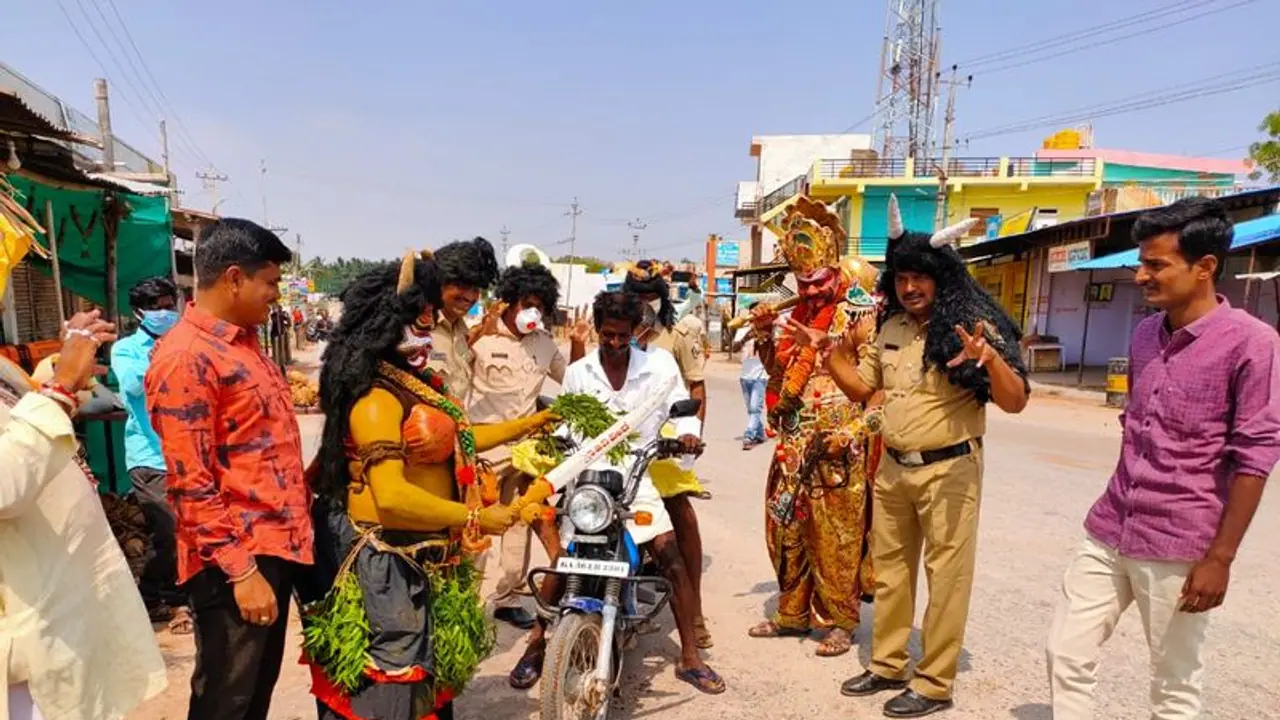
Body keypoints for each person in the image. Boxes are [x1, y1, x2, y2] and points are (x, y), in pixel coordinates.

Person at [1045, 198, 1280, 719]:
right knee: (1065, 651)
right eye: (1141, 262)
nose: (1140, 275)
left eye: (1156, 264)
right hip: (1111, 527)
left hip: (1180, 543)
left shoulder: (1253, 344)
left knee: (1174, 682)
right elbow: (1136, 425)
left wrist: (1219, 559)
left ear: (1205, 267)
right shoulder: (1145, 334)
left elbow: (1255, 456)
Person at [299, 251, 556, 720]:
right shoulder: (376, 398)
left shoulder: (414, 382)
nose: (426, 336)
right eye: (419, 325)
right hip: (384, 562)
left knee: (425, 678)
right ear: (384, 326)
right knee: (390, 683)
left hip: (420, 557)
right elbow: (393, 500)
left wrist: (528, 424)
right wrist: (476, 517)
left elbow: (460, 438)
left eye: (429, 323)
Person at [813, 195, 1030, 717]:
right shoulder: (889, 327)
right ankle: (888, 664)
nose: (910, 287)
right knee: (890, 573)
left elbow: (1016, 401)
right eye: (903, 278)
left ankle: (934, 683)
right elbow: (863, 388)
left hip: (950, 471)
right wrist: (830, 353)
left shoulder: (970, 328)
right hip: (893, 468)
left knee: (947, 580)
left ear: (941, 278)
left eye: (921, 278)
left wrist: (990, 359)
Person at [509, 290, 725, 695]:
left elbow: (683, 408)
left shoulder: (658, 366)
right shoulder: (580, 372)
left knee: (670, 556)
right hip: (589, 480)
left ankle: (691, 657)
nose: (614, 343)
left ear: (634, 331)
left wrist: (687, 435)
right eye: (607, 335)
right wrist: (558, 440)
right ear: (597, 330)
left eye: (622, 336)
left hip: (637, 476)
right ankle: (537, 644)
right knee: (566, 558)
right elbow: (568, 421)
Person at [145, 218, 308, 720]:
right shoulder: (187, 357)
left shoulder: (244, 344)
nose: (276, 295)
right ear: (235, 278)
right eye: (271, 282)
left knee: (253, 697)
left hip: (272, 549)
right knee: (225, 702)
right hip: (233, 560)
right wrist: (242, 572)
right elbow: (189, 482)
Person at [2, 310, 168, 720]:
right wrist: (59, 390)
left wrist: (66, 373)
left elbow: (21, 418)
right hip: (26, 616)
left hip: (61, 599)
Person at [744, 196, 880, 658]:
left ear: (835, 271)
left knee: (837, 535)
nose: (812, 290)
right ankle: (792, 613)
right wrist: (765, 335)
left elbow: (876, 387)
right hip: (795, 441)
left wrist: (854, 433)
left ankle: (841, 621)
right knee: (788, 529)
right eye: (803, 283)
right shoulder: (796, 315)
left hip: (839, 443)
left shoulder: (859, 315)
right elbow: (779, 375)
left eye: (819, 281)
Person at [467, 260, 589, 631]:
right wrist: (475, 333)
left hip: (525, 449)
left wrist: (579, 343)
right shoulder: (481, 339)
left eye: (539, 306)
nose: (532, 312)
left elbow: (575, 382)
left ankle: (507, 597)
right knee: (475, 525)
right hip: (484, 448)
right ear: (508, 301)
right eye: (526, 304)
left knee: (519, 522)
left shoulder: (544, 343)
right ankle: (464, 600)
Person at [623, 260, 713, 647]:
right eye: (638, 296)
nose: (646, 302)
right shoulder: (619, 329)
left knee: (681, 517)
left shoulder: (679, 332)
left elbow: (695, 389)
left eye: (651, 295)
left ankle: (695, 614)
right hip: (625, 441)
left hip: (667, 439)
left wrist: (691, 438)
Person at [109, 275, 191, 632]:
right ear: (139, 312)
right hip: (150, 455)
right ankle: (160, 596)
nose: (164, 313)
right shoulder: (126, 349)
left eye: (169, 306)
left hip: (188, 452)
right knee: (169, 527)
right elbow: (132, 385)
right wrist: (166, 357)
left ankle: (176, 594)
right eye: (156, 307)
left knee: (191, 528)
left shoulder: (185, 340)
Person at [427, 237, 500, 403]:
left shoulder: (461, 331)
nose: (470, 296)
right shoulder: (416, 328)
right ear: (440, 282)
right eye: (461, 285)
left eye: (475, 289)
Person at [733, 306, 768, 450]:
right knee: (751, 409)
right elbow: (734, 348)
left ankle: (749, 436)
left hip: (761, 375)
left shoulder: (767, 330)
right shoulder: (743, 330)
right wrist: (745, 338)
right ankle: (760, 433)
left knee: (755, 408)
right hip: (745, 376)